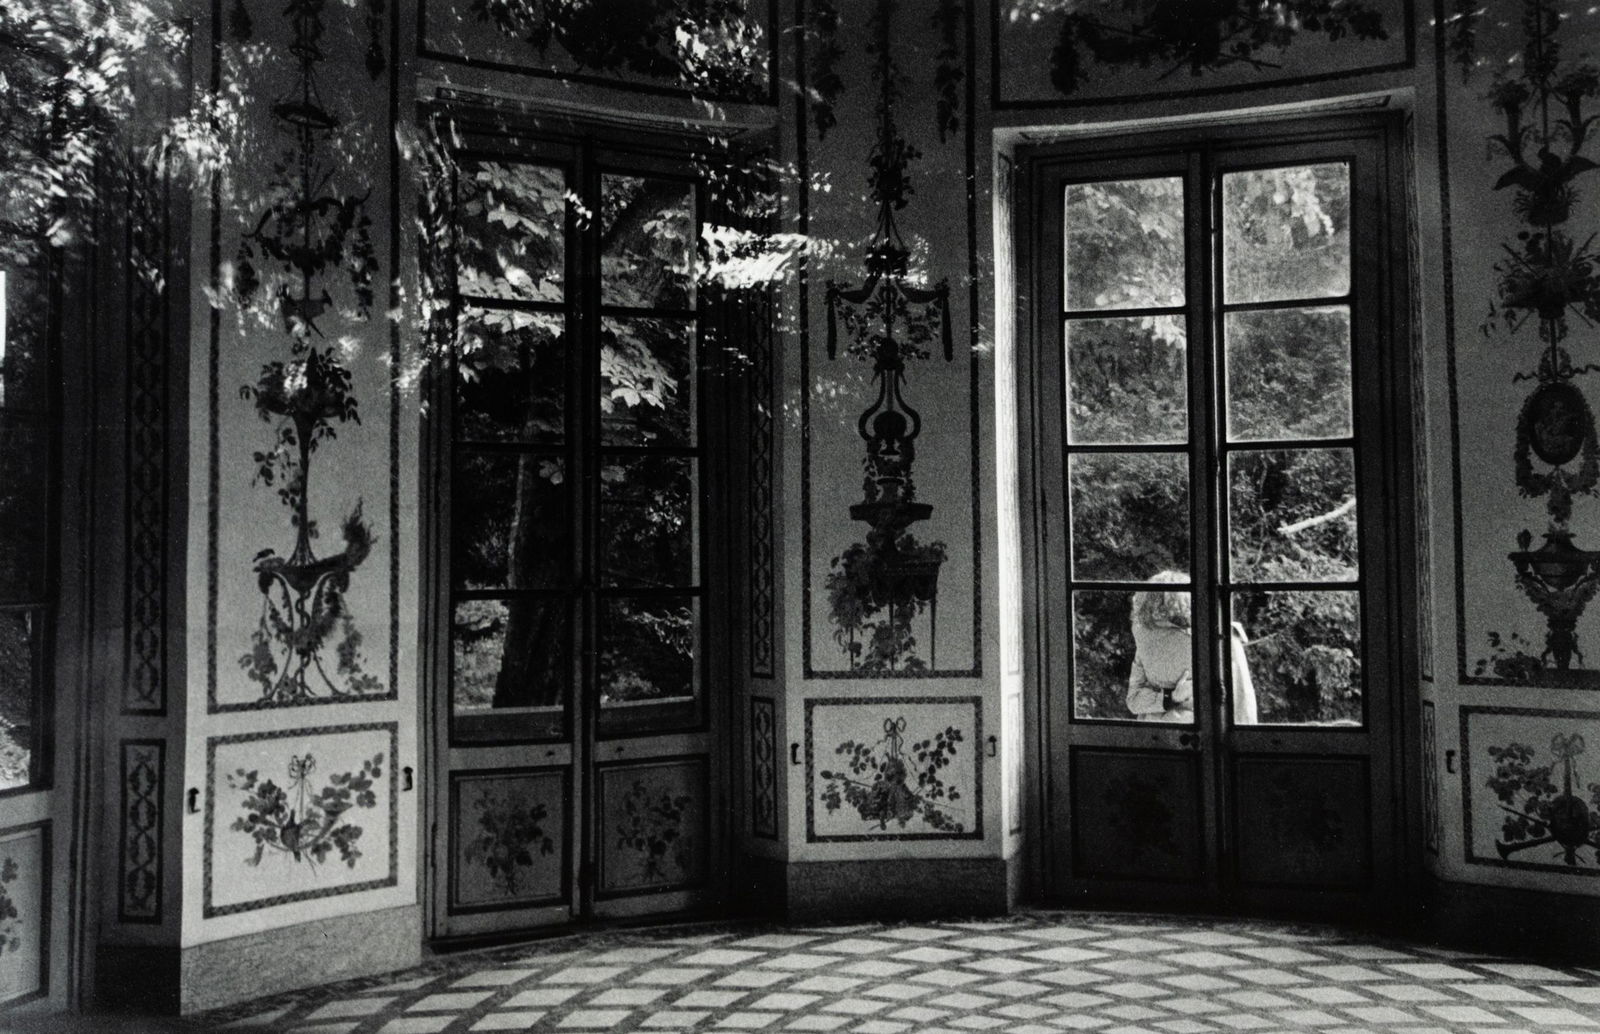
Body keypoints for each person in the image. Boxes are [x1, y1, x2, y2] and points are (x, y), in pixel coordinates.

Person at [1126, 571, 1261, 725]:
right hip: (1203, 732)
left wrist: (1170, 697)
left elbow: (1134, 700)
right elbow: (1242, 700)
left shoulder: (1146, 640)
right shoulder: (1221, 638)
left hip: (1157, 734)